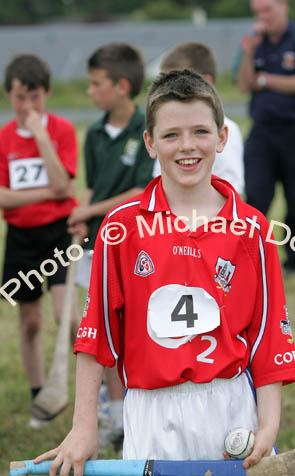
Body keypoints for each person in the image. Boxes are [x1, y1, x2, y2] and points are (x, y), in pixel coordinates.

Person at [35, 69, 295, 476]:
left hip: (228, 410)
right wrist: (83, 426)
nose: (188, 146)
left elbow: (268, 334)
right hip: (150, 411)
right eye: (171, 134)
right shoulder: (121, 226)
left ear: (222, 136)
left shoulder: (253, 229)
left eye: (200, 131)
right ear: (150, 143)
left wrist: (269, 425)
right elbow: (97, 333)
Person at [67, 43, 155, 450]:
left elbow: (140, 190)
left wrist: (93, 209)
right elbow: (92, 184)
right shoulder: (95, 132)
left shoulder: (145, 127)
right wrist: (83, 215)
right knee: (95, 329)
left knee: (131, 330)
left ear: (121, 86)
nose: (90, 91)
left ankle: (131, 413)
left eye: (95, 84)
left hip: (131, 242)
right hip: (93, 244)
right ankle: (113, 412)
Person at [0, 53, 79, 426]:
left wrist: (41, 134)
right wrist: (47, 192)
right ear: (9, 97)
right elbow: (3, 196)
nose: (27, 106)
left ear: (46, 93)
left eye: (34, 97)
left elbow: (64, 183)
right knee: (30, 321)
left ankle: (89, 392)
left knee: (68, 317)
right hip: (21, 239)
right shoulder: (4, 139)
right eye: (19, 97)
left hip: (59, 234)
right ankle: (39, 399)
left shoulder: (60, 130)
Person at [234, 0, 295, 273]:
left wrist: (265, 80)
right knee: (255, 195)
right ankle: (252, 258)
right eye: (257, 12)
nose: (263, 17)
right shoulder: (251, 42)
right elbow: (243, 84)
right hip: (261, 130)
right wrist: (250, 54)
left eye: (268, 10)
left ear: (283, 6)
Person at [152, 41, 245, 196]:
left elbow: (232, 185)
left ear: (206, 81)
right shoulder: (164, 128)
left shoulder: (225, 128)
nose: (167, 91)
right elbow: (159, 176)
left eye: (177, 83)